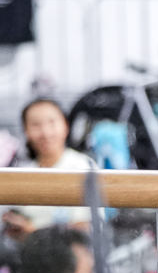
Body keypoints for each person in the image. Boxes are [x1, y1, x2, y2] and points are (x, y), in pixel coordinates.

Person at [3, 98, 93, 234]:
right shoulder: (24, 174)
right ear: (26, 131)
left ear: (66, 126)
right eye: (35, 125)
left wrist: (33, 232)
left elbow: (86, 229)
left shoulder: (83, 166)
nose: (45, 133)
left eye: (52, 122)